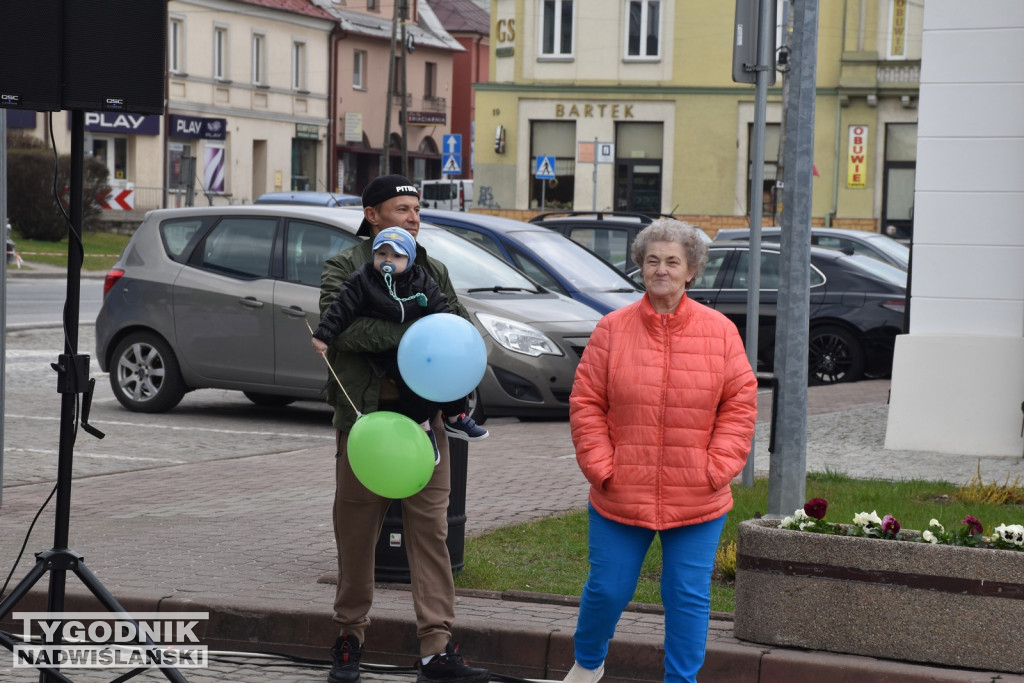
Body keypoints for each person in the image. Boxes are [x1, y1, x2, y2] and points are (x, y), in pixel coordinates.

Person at [564, 218, 758, 683]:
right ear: (641, 267)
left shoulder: (720, 331)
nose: (661, 270)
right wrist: (601, 466)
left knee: (687, 595)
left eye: (673, 261)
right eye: (652, 261)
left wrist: (718, 468)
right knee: (607, 590)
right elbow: (587, 401)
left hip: (697, 494)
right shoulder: (612, 329)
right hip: (620, 490)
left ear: (691, 270)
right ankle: (588, 665)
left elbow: (740, 402)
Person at [318, 174, 490, 683]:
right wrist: (414, 331)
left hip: (426, 422)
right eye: (401, 209)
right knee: (355, 534)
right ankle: (349, 638)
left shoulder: (430, 266)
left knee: (431, 535)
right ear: (372, 215)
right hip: (366, 422)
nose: (414, 218)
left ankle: (437, 651)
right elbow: (340, 327)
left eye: (417, 209)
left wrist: (425, 335)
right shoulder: (345, 266)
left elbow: (458, 327)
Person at [311, 225, 477, 463]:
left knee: (447, 373)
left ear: (409, 259)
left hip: (423, 352)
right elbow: (341, 310)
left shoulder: (423, 277)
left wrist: (448, 331)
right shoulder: (362, 278)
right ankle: (424, 430)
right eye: (382, 254)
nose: (388, 260)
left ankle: (456, 417)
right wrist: (323, 335)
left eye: (397, 255)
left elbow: (442, 307)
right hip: (389, 353)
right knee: (410, 380)